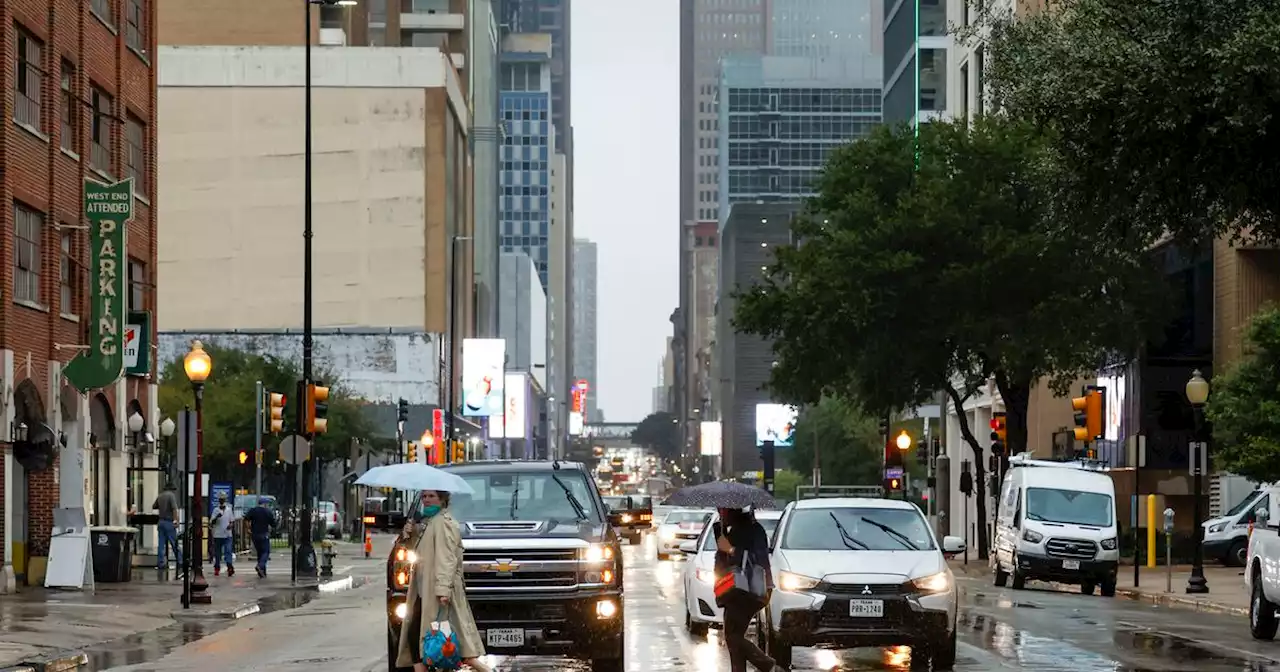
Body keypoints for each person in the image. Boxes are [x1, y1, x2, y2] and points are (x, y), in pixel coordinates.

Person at [396, 490, 490, 672]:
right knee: (421, 642)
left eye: (431, 496)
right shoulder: (429, 523)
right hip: (424, 591)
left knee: (454, 646)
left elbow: (447, 558)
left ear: (443, 499)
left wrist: (443, 590)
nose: (426, 500)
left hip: (437, 592)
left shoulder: (443, 523)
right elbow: (421, 552)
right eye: (424, 496)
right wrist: (410, 535)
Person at [714, 506, 785, 672]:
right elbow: (724, 561)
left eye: (722, 510)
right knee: (733, 638)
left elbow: (758, 560)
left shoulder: (754, 530)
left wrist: (731, 549)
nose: (720, 513)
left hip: (750, 590)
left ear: (732, 510)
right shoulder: (733, 530)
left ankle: (770, 666)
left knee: (733, 637)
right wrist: (720, 534)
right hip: (736, 590)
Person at [152, 483, 182, 571]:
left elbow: (154, 506)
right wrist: (176, 521)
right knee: (174, 543)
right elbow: (174, 509)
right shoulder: (171, 495)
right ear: (171, 489)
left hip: (161, 521)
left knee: (161, 544)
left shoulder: (160, 496)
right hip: (169, 522)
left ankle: (161, 563)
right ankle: (180, 561)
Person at [243, 497, 276, 578]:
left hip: (255, 535)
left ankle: (262, 572)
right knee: (266, 552)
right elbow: (273, 524)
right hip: (264, 534)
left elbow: (246, 519)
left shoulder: (253, 510)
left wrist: (248, 529)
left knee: (260, 553)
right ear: (264, 504)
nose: (267, 505)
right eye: (267, 504)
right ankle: (260, 566)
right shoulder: (268, 512)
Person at [210, 493, 238, 577]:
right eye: (220, 499)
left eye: (223, 499)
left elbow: (232, 521)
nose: (222, 501)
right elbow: (212, 522)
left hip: (227, 534)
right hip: (218, 534)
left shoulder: (229, 510)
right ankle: (217, 567)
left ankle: (229, 566)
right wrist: (216, 517)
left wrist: (231, 525)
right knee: (218, 553)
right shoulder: (215, 510)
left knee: (228, 550)